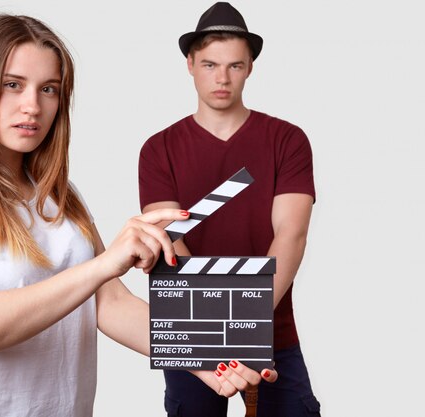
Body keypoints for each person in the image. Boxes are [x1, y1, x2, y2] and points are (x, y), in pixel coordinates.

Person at [0, 13, 276, 417]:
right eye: (12, 85)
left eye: (49, 89)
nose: (32, 106)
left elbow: (108, 302)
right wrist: (104, 264)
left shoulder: (60, 196)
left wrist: (209, 353)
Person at [138, 3, 321, 417]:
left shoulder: (288, 140)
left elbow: (290, 235)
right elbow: (171, 241)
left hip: (274, 329)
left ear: (250, 67)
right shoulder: (158, 149)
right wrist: (219, 328)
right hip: (193, 330)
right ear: (189, 64)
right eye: (209, 64)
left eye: (235, 65)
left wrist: (248, 321)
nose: (221, 78)